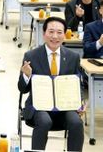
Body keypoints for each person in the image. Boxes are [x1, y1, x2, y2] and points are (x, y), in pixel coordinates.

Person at [18, 16, 84, 151]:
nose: (55, 36)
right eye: (51, 31)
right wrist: (26, 75)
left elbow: (78, 85)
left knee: (76, 122)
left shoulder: (73, 57)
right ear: (44, 34)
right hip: (39, 106)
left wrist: (80, 102)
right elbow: (22, 89)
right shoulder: (31, 56)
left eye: (59, 32)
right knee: (44, 121)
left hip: (64, 106)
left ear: (65, 35)